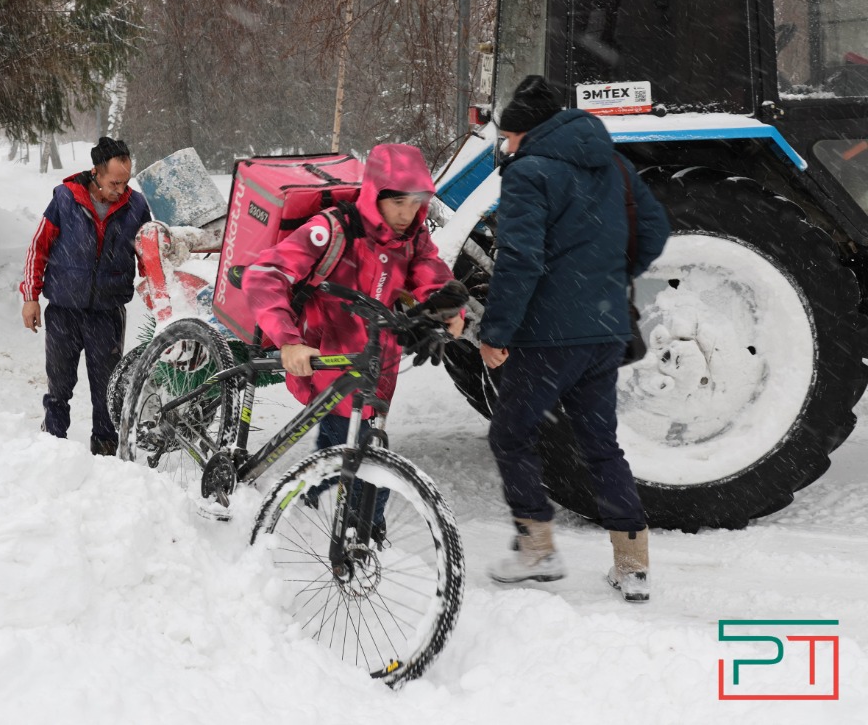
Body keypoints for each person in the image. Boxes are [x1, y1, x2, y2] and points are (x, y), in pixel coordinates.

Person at [478, 75, 670, 602]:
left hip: (547, 336)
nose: (507, 146)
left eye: (508, 137)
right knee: (600, 446)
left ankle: (537, 552)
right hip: (605, 330)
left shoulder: (527, 173)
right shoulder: (614, 165)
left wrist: (495, 332)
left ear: (524, 132)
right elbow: (653, 230)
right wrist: (608, 276)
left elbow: (520, 259)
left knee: (511, 436)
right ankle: (632, 565)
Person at [241, 143, 467, 474]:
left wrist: (446, 311)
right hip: (325, 357)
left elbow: (430, 272)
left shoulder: (412, 238)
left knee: (356, 456)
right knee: (346, 458)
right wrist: (288, 340)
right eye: (397, 201)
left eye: (415, 201)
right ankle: (322, 505)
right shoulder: (332, 230)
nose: (407, 213)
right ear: (375, 194)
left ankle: (337, 510)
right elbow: (264, 275)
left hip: (375, 364)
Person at [19, 136, 151, 456]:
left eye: (126, 181)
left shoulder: (136, 207)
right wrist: (30, 296)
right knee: (60, 383)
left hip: (107, 311)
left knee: (108, 387)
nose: (121, 189)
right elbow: (39, 247)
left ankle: (105, 448)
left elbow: (150, 256)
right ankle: (53, 442)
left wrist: (155, 289)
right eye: (114, 182)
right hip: (64, 308)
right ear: (96, 173)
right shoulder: (66, 199)